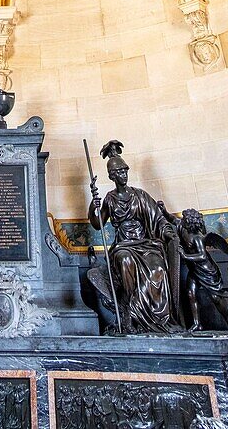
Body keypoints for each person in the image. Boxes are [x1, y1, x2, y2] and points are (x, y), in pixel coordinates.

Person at [88, 140, 180, 334]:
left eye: (125, 171)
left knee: (158, 268)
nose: (123, 175)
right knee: (125, 260)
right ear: (112, 176)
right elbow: (97, 224)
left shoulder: (140, 195)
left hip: (146, 244)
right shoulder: (110, 199)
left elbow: (158, 218)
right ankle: (131, 311)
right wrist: (92, 204)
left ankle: (157, 317)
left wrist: (167, 231)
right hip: (123, 245)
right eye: (119, 172)